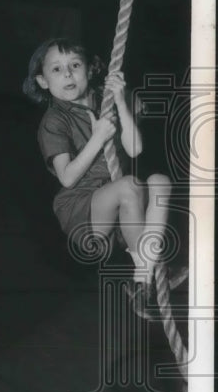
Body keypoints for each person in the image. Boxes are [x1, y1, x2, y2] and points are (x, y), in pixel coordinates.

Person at [22, 37, 188, 319]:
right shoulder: (54, 121)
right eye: (57, 69)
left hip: (123, 204)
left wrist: (120, 102)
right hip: (83, 210)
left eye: (75, 65)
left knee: (160, 182)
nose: (68, 74)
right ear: (42, 81)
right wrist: (98, 137)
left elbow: (135, 149)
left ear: (90, 69)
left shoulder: (105, 99)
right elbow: (67, 178)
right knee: (130, 185)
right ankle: (147, 271)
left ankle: (144, 276)